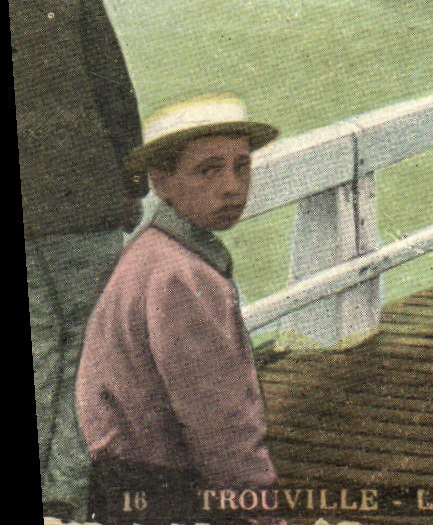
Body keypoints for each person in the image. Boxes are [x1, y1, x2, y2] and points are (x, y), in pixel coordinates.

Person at [9, 0, 146, 522]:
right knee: (91, 344)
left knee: (38, 346)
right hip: (81, 205)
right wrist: (132, 184)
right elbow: (117, 100)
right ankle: (63, 493)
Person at [77, 95, 280, 524]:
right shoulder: (180, 275)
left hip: (123, 479)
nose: (232, 186)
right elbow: (220, 425)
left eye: (241, 166)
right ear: (161, 181)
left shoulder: (153, 249)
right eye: (209, 170)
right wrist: (263, 513)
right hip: (160, 490)